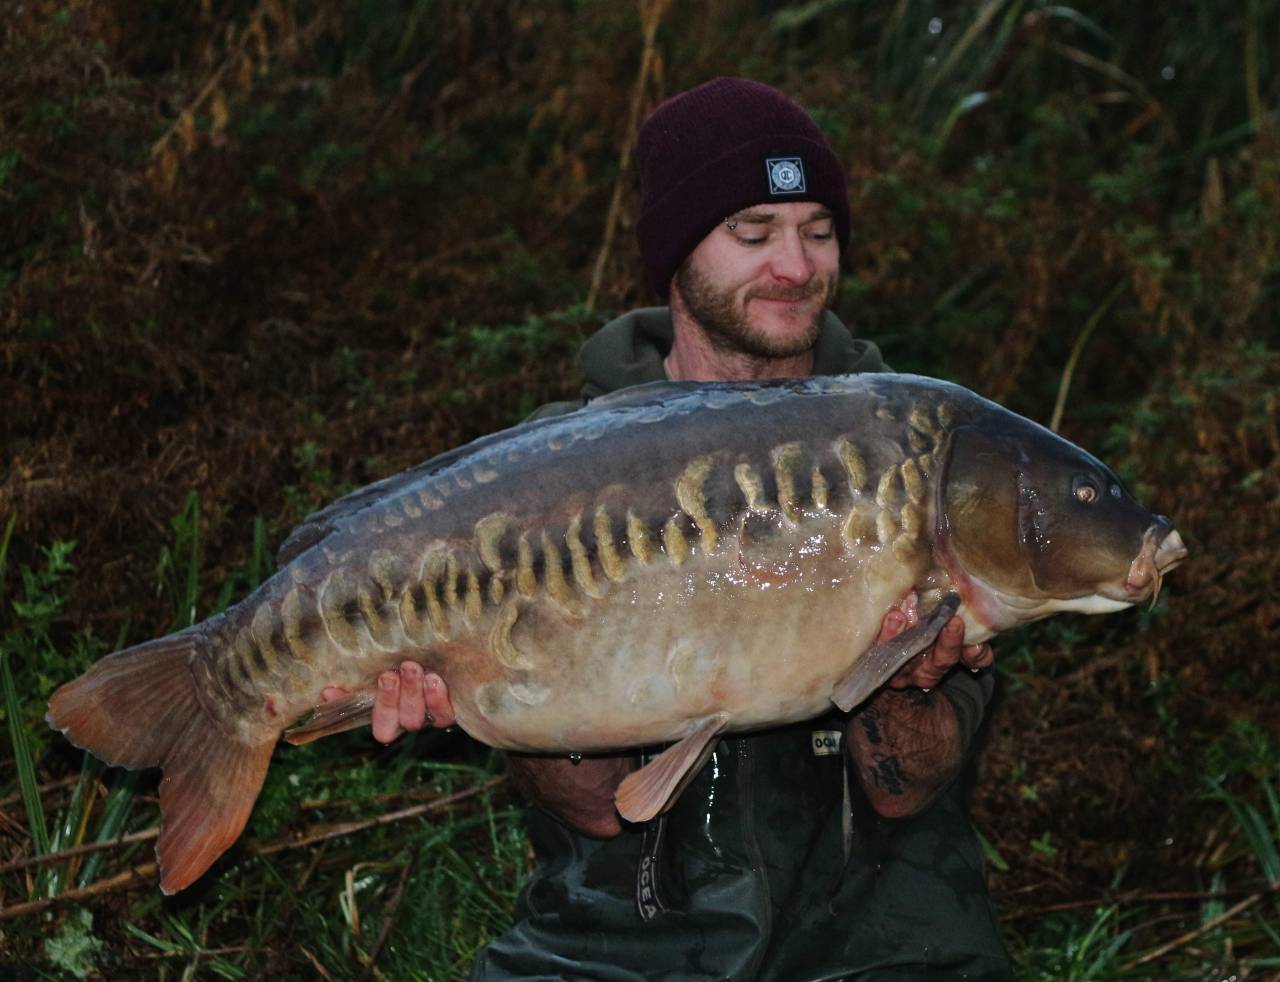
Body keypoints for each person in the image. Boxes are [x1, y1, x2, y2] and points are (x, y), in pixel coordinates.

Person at [326, 78, 1014, 980]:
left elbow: (906, 790)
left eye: (818, 230)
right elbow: (598, 811)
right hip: (616, 946)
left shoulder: (926, 457)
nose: (796, 266)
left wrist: (901, 679)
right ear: (679, 250)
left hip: (887, 950)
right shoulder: (549, 479)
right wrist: (486, 698)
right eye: (754, 231)